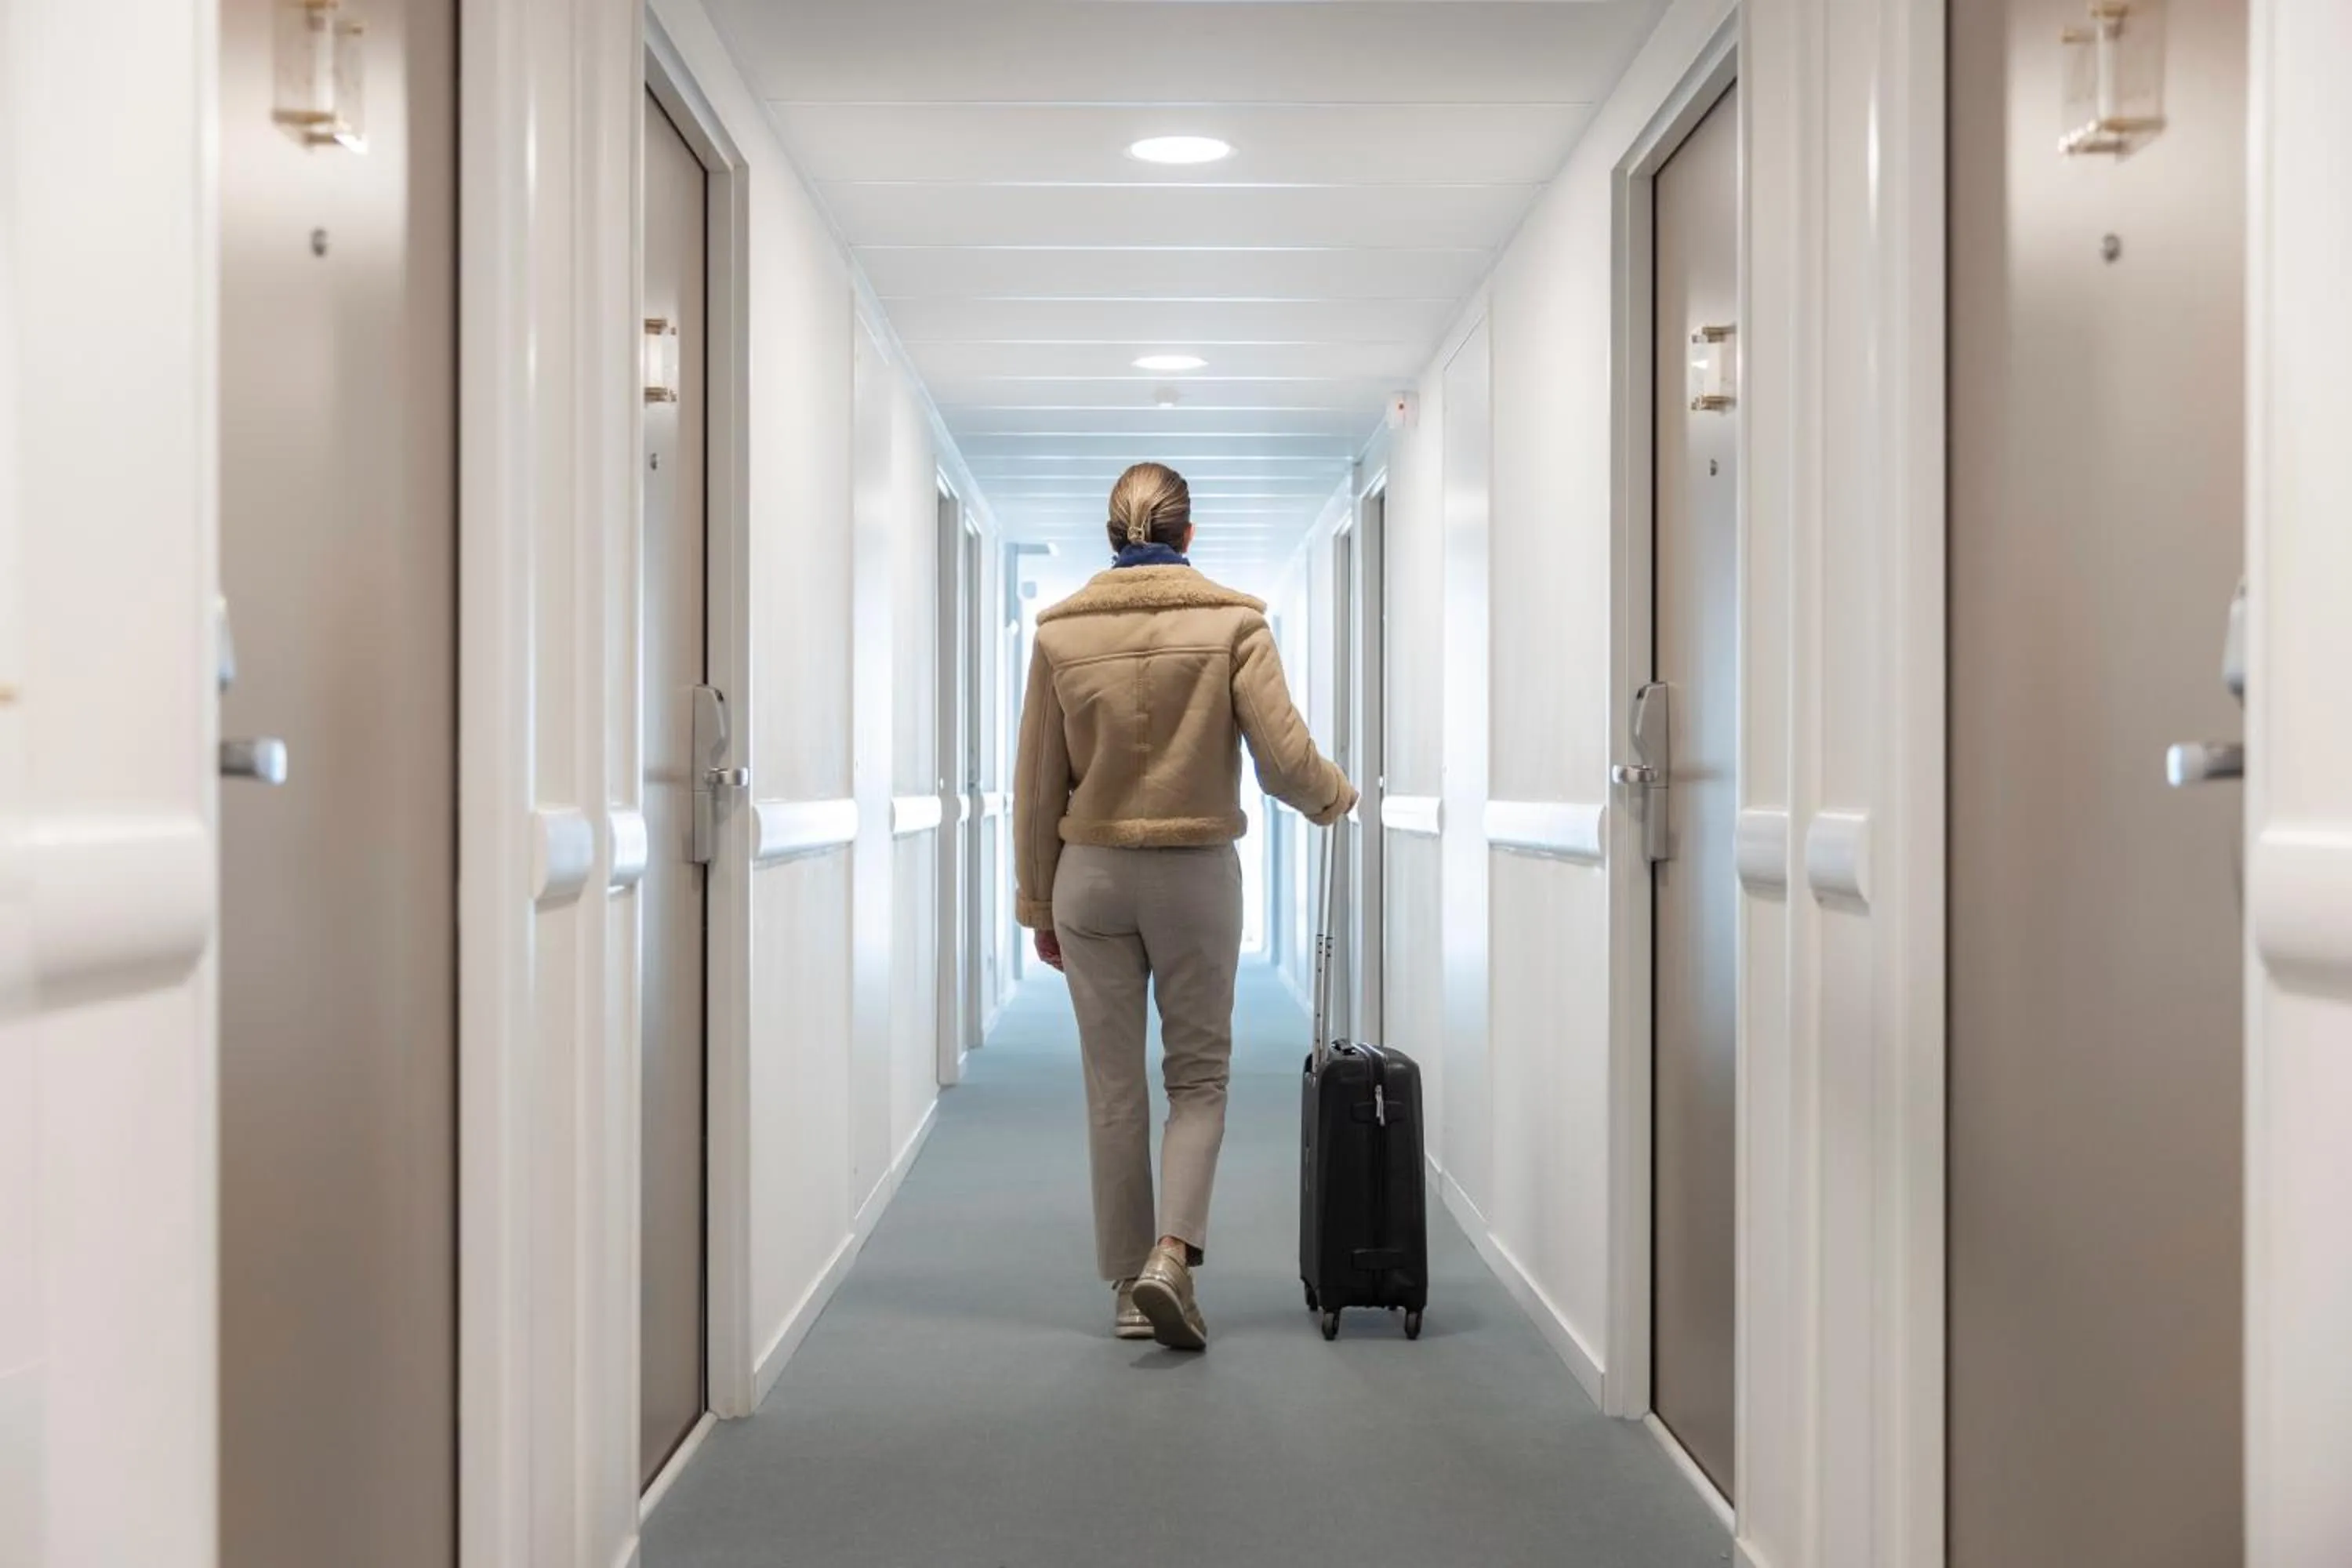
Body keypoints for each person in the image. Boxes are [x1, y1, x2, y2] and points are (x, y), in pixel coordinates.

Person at [1012, 461, 1356, 1351]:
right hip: (1196, 871)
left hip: (1091, 872)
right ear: (1188, 535)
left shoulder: (1058, 636)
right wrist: (1333, 797)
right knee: (1197, 1077)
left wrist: (1038, 901)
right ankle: (1173, 1253)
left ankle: (1130, 1290)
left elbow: (1036, 785)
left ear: (1111, 535)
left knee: (1113, 1084)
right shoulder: (1234, 622)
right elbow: (1284, 760)